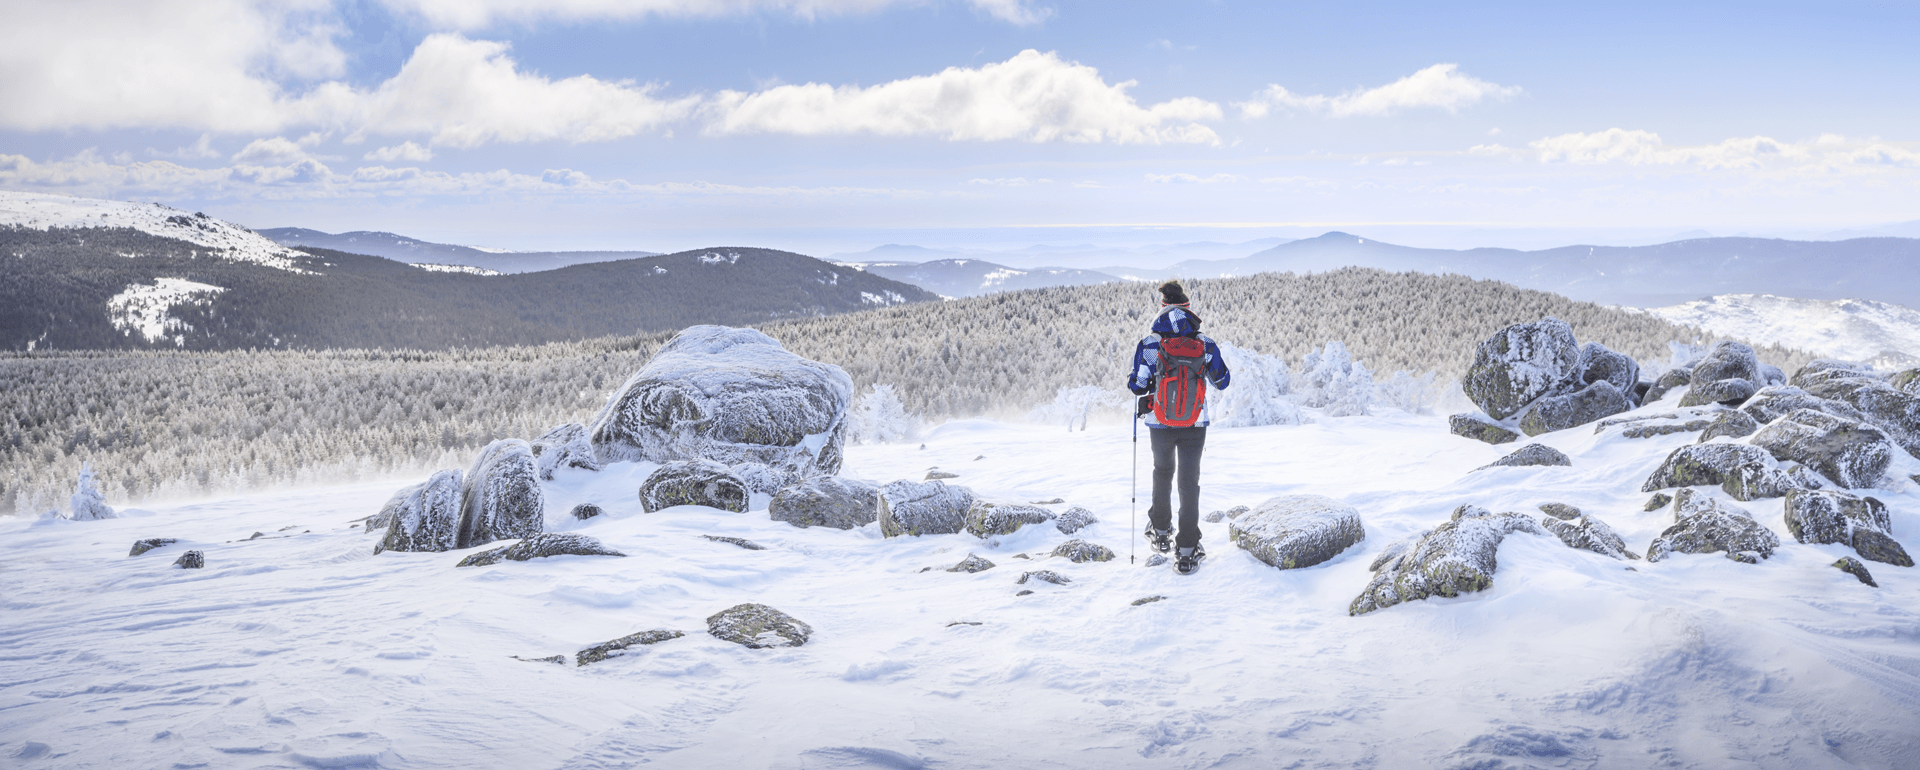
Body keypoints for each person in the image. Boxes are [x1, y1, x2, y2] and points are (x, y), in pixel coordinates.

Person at [1126, 280, 1231, 574]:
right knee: (1188, 482)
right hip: (1195, 422)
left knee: (1162, 472)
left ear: (1162, 310)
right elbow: (1222, 381)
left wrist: (1138, 381)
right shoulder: (1205, 343)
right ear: (1188, 309)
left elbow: (1138, 386)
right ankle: (1187, 548)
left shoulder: (1150, 344)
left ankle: (1160, 532)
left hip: (1159, 423)